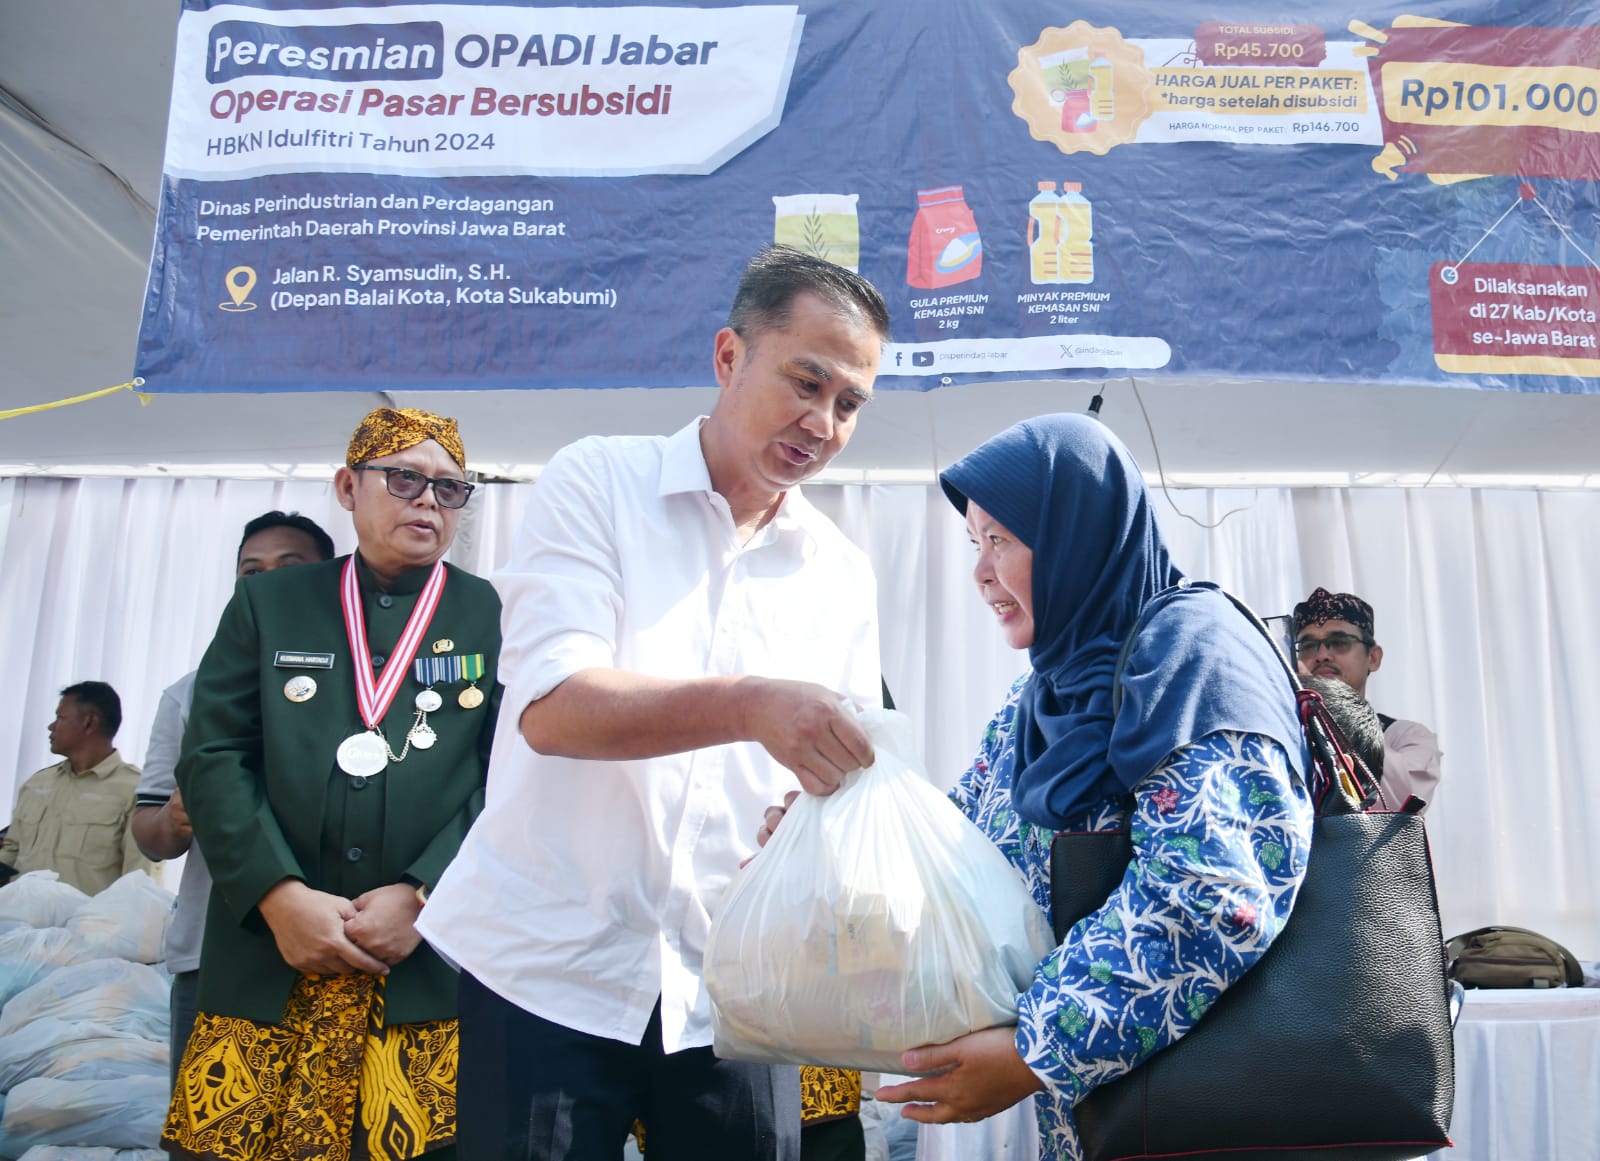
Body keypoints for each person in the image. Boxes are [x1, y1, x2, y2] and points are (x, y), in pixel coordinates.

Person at [417, 246, 891, 1161]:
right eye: (807, 382)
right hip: (551, 966)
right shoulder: (598, 481)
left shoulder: (840, 572)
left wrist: (810, 821)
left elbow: (839, 774)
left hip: (731, 983)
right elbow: (554, 707)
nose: (823, 422)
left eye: (849, 403)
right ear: (728, 356)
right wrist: (751, 704)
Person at [870, 414, 1315, 1159]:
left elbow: (1213, 895)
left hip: (1215, 1123)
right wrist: (835, 837)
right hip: (1101, 1125)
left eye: (1001, 540)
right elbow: (953, 851)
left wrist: (1036, 1051)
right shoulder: (1044, 697)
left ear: (1076, 536)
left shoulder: (1194, 654)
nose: (980, 572)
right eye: (974, 543)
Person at [162, 408, 502, 1161]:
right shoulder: (270, 604)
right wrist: (277, 896)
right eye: (404, 478)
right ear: (349, 487)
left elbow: (510, 776)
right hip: (267, 949)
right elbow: (213, 754)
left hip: (424, 957)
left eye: (450, 488)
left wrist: (425, 895)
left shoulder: (495, 612)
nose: (428, 500)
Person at [131, 510, 336, 1085]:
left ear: (332, 576)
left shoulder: (379, 680)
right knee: (219, 1119)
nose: (266, 583)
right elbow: (149, 831)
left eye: (288, 567)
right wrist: (174, 820)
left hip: (342, 943)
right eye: (251, 571)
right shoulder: (192, 693)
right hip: (215, 953)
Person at [1290, 586, 1442, 812]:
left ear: (1373, 658)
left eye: (1340, 642)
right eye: (1308, 646)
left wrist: (1328, 702)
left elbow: (1399, 805)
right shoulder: (1288, 728)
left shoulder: (1403, 736)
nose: (1321, 655)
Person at [1, 681, 153, 893]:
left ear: (89, 723)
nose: (51, 727)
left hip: (87, 915)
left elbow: (137, 878)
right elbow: (11, 853)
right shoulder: (37, 784)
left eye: (60, 718)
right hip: (19, 913)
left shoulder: (134, 790)